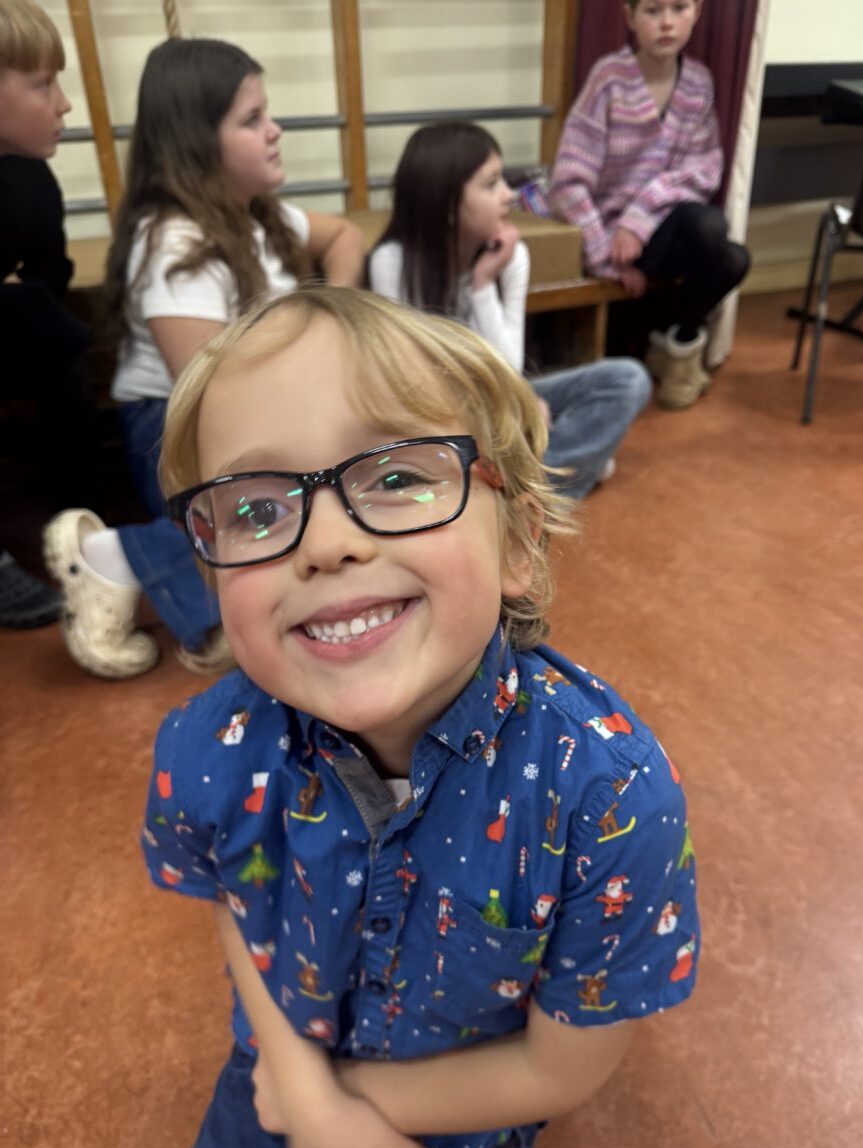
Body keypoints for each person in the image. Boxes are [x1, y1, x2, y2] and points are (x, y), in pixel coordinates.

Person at [142, 284, 700, 1148]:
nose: (327, 544)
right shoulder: (207, 747)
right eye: (258, 508)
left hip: (456, 1135)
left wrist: (338, 1101)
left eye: (398, 475)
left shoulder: (611, 796)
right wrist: (297, 1083)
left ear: (517, 540)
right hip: (271, 1089)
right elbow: (237, 903)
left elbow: (564, 1068)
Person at [42, 36, 365, 678]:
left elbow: (347, 237)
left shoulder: (258, 214)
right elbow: (212, 393)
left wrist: (333, 319)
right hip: (178, 425)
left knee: (325, 500)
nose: (274, 131)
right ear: (196, 143)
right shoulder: (176, 241)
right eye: (252, 119)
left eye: (267, 113)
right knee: (283, 528)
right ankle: (115, 557)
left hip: (263, 407)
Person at [369, 121, 651, 498]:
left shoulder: (512, 256)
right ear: (448, 205)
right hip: (440, 416)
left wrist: (482, 283)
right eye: (491, 184)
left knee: (628, 379)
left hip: (500, 397)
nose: (509, 195)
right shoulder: (392, 263)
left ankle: (520, 489)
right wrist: (516, 411)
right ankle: (551, 477)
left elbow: (509, 367)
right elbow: (411, 385)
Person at [549, 0, 750, 409]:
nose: (667, 23)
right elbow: (568, 183)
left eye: (679, 8)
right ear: (630, 17)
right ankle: (656, 341)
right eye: (653, 11)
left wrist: (639, 217)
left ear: (697, 12)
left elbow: (704, 169)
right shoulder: (609, 78)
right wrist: (607, 259)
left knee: (729, 252)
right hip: (607, 241)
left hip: (661, 230)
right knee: (713, 238)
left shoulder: (698, 82)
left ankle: (678, 347)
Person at [0, 0, 88, 629]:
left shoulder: (30, 181)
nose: (64, 104)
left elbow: (51, 273)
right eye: (42, 84)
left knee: (65, 346)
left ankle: (75, 520)